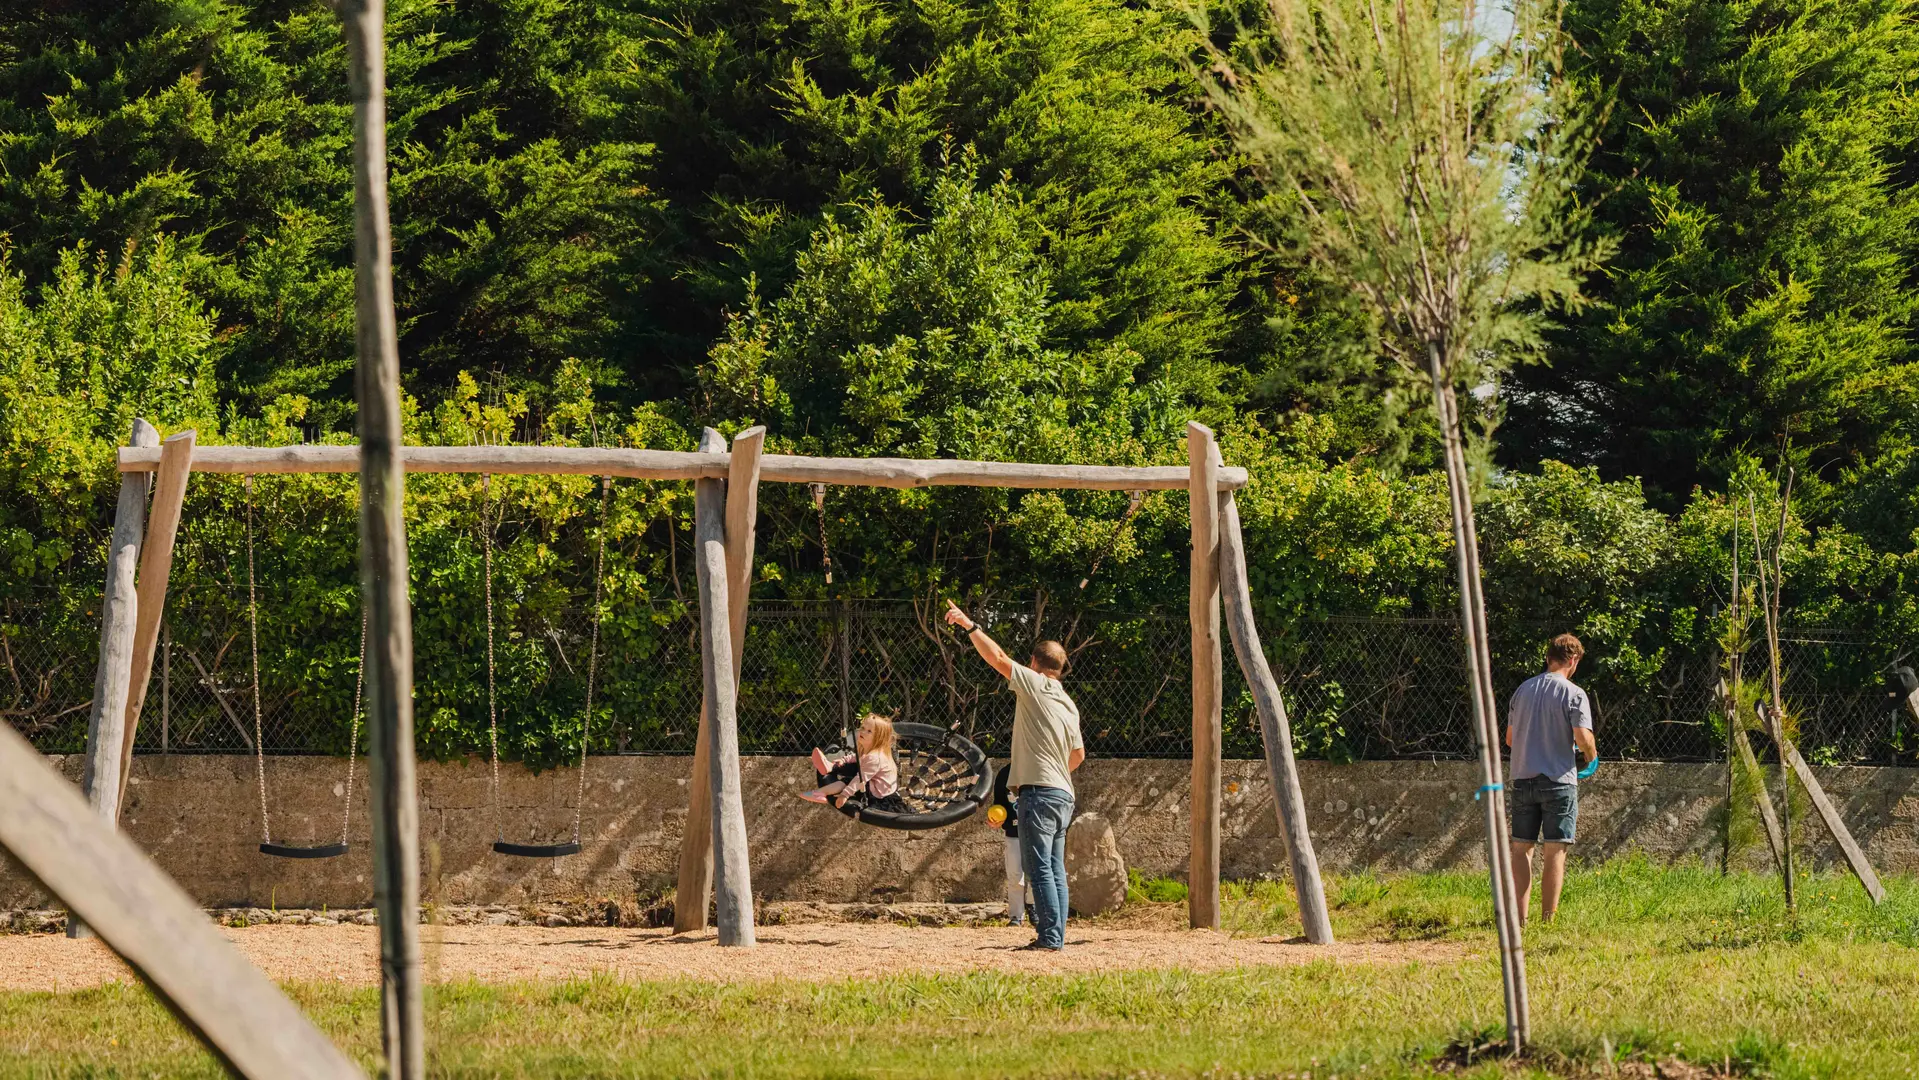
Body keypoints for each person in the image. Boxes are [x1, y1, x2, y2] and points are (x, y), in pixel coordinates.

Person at [943, 601, 1083, 951]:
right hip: (1064, 794)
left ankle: (1050, 939)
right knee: (1054, 868)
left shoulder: (1036, 684)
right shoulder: (1069, 704)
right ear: (1061, 669)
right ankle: (1057, 935)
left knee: (1039, 870)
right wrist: (1052, 771)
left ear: (1036, 664)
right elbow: (1078, 756)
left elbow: (999, 659)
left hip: (1039, 794)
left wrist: (969, 626)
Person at [1505, 633, 1597, 923]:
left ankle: (1519, 920)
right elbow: (1583, 738)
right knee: (1555, 850)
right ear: (1573, 660)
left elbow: (1509, 739)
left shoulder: (1522, 691)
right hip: (1558, 781)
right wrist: (1591, 755)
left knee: (1522, 849)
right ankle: (1548, 919)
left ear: (1548, 658)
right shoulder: (1574, 693)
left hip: (1522, 778)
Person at [801, 713, 907, 813]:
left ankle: (820, 792)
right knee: (852, 765)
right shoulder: (868, 749)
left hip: (879, 795)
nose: (863, 732)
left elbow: (859, 780)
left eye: (869, 731)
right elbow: (857, 757)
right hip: (874, 782)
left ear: (878, 738)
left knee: (850, 779)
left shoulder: (875, 758)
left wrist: (844, 795)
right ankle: (829, 767)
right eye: (863, 728)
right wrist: (843, 760)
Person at [987, 764, 1031, 927]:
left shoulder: (1035, 766)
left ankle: (1036, 912)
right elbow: (998, 803)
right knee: (1015, 876)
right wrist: (996, 820)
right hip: (1013, 833)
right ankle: (1016, 916)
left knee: (1037, 875)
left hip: (1036, 832)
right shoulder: (1005, 773)